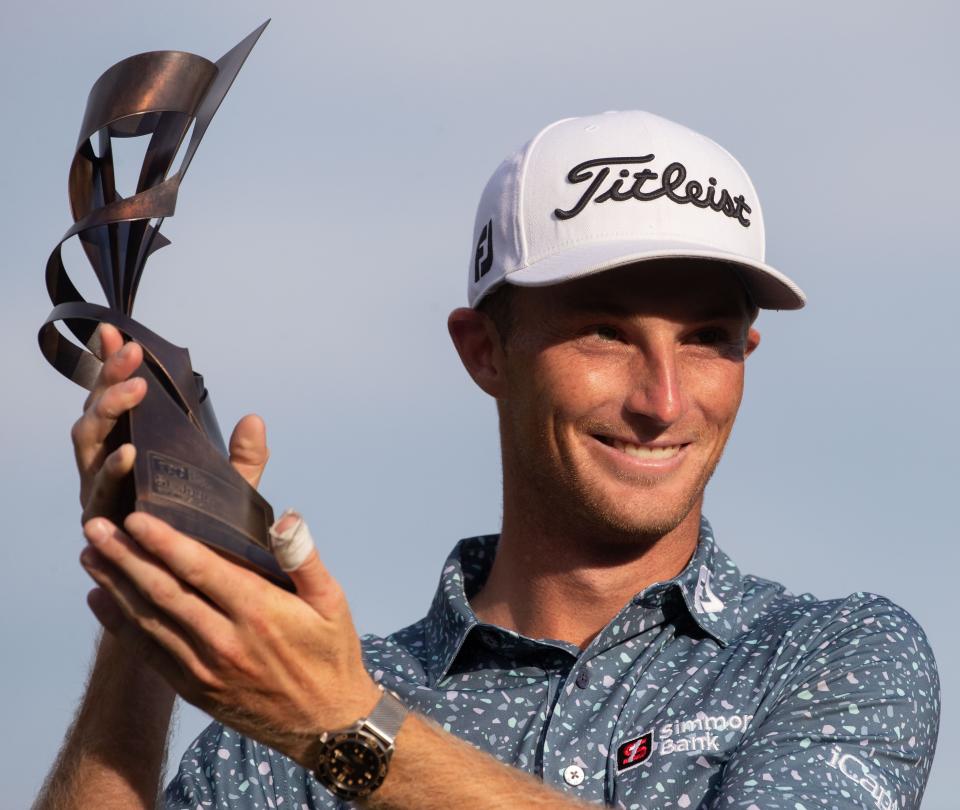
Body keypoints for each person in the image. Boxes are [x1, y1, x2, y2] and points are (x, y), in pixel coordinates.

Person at [37, 111, 940, 809]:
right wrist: (147, 606)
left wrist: (347, 727)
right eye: (605, 333)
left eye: (708, 339)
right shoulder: (279, 708)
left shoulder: (832, 655)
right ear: (484, 352)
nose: (664, 400)